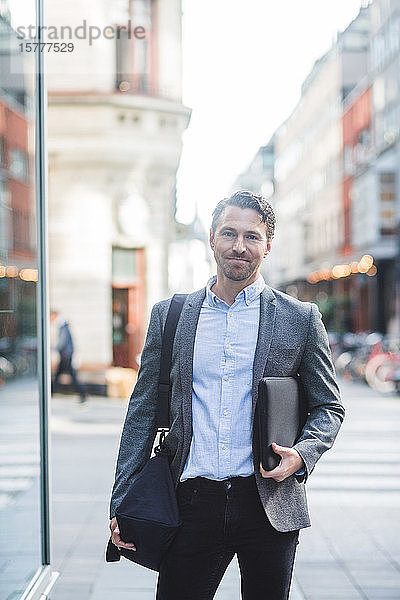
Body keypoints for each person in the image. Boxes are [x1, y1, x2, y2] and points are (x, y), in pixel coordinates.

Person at [108, 190, 345, 600]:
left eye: (252, 236)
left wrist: (302, 455)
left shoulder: (300, 318)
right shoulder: (172, 315)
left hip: (269, 502)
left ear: (268, 245)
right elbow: (142, 412)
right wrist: (122, 499)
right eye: (229, 233)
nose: (239, 246)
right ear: (211, 240)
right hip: (191, 501)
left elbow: (329, 406)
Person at [50, 309, 87, 403]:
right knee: (60, 376)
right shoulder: (63, 325)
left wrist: (54, 348)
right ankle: (50, 393)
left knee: (72, 377)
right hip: (65, 355)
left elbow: (63, 342)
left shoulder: (63, 326)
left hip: (66, 355)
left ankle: (82, 394)